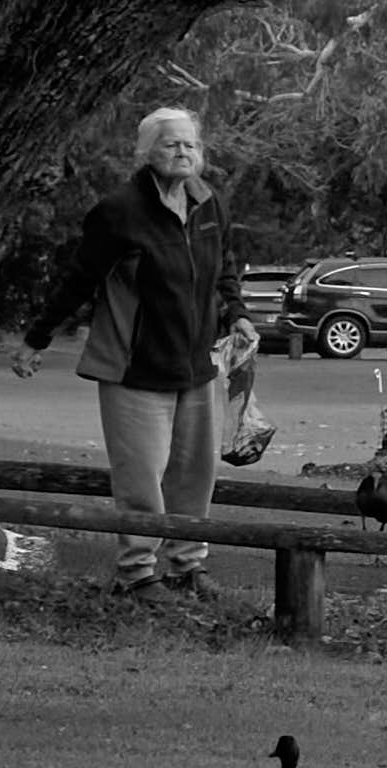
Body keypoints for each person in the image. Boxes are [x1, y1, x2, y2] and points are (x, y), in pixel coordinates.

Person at [13, 107, 256, 595]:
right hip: (134, 368)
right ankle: (137, 574)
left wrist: (237, 314)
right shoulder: (119, 211)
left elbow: (224, 267)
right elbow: (80, 279)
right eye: (171, 144)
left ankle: (187, 567)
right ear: (147, 152)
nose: (183, 152)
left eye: (191, 144)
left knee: (194, 476)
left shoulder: (210, 203)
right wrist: (37, 338)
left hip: (198, 366)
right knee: (141, 480)